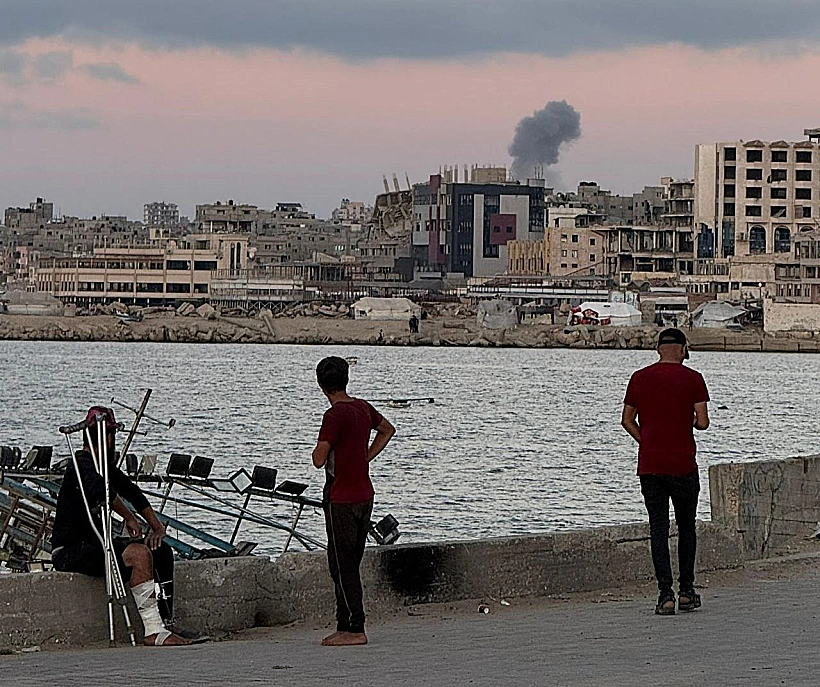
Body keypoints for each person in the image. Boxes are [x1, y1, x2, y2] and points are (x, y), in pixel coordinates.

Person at [52, 406, 191, 646]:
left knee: (161, 551)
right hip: (70, 551)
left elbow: (132, 493)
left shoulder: (104, 466)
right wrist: (128, 517)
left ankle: (166, 622)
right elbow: (101, 491)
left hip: (95, 545)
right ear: (107, 437)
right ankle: (153, 630)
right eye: (111, 435)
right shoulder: (82, 465)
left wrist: (156, 528)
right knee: (138, 554)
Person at [621, 328, 710, 616]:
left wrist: (646, 440)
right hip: (683, 464)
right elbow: (703, 422)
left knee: (658, 528)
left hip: (651, 465)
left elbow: (626, 420)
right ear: (683, 349)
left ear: (658, 349)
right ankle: (686, 591)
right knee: (686, 527)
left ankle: (665, 595)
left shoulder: (639, 378)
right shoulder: (693, 379)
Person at [311, 356, 395, 646]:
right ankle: (344, 622)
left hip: (341, 497)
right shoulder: (362, 407)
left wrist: (321, 449)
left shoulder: (333, 416)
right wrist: (366, 456)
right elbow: (387, 430)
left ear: (322, 385)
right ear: (346, 379)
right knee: (350, 561)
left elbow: (319, 459)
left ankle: (354, 627)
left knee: (341, 563)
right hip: (364, 494)